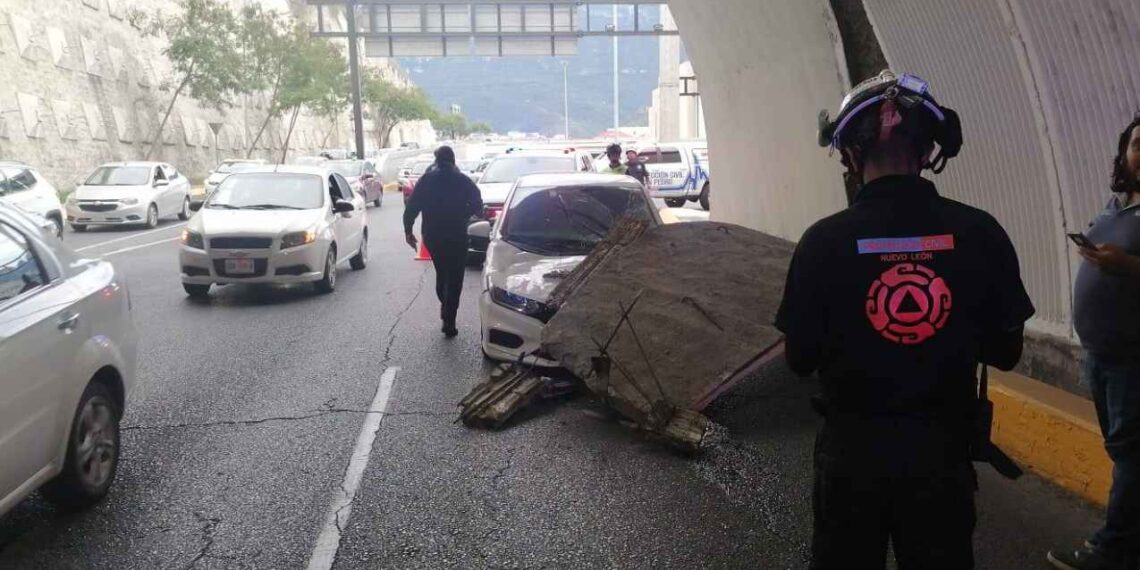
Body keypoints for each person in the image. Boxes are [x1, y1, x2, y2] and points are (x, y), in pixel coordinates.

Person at [777, 70, 1034, 569]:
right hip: (941, 456)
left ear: (850, 154)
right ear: (929, 151)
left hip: (851, 456)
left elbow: (800, 358)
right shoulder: (980, 233)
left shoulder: (822, 242)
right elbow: (1006, 353)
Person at [1048, 114, 1140, 570]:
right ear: (1124, 153)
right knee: (1124, 450)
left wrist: (1127, 265)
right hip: (1101, 354)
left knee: (1131, 455)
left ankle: (1113, 550)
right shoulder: (1116, 204)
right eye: (1138, 144)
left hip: (1133, 360)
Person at [403, 146, 483, 337]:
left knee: (442, 271)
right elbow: (478, 204)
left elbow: (412, 207)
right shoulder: (463, 180)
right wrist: (464, 214)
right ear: (453, 160)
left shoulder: (426, 180)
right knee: (455, 277)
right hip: (457, 234)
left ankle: (445, 304)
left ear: (436, 160)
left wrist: (408, 230)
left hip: (433, 236)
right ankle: (449, 317)